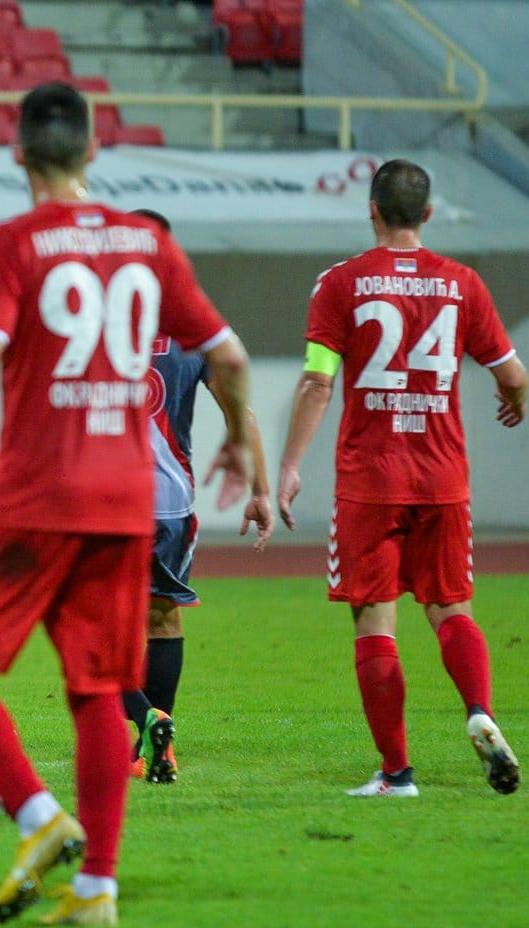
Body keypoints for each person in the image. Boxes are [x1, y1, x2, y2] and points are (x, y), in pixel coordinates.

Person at [0, 83, 253, 927]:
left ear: (17, 154)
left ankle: (37, 818)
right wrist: (241, 441)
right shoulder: (147, 244)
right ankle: (97, 888)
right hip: (124, 503)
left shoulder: (9, 244)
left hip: (35, 498)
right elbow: (231, 356)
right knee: (99, 689)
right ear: (94, 152)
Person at [277, 158, 524, 798]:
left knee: (375, 625)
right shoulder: (463, 284)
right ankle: (479, 711)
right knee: (451, 609)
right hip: (443, 478)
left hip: (370, 480)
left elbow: (317, 380)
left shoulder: (340, 284)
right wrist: (516, 399)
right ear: (428, 214)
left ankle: (396, 774)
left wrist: (290, 465)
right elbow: (512, 374)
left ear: (373, 211)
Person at [121, 208, 274, 785]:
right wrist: (260, 490)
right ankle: (158, 749)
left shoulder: (93, 319)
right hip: (171, 503)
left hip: (106, 500)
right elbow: (243, 413)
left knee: (87, 633)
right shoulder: (193, 327)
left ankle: (148, 719)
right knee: (163, 620)